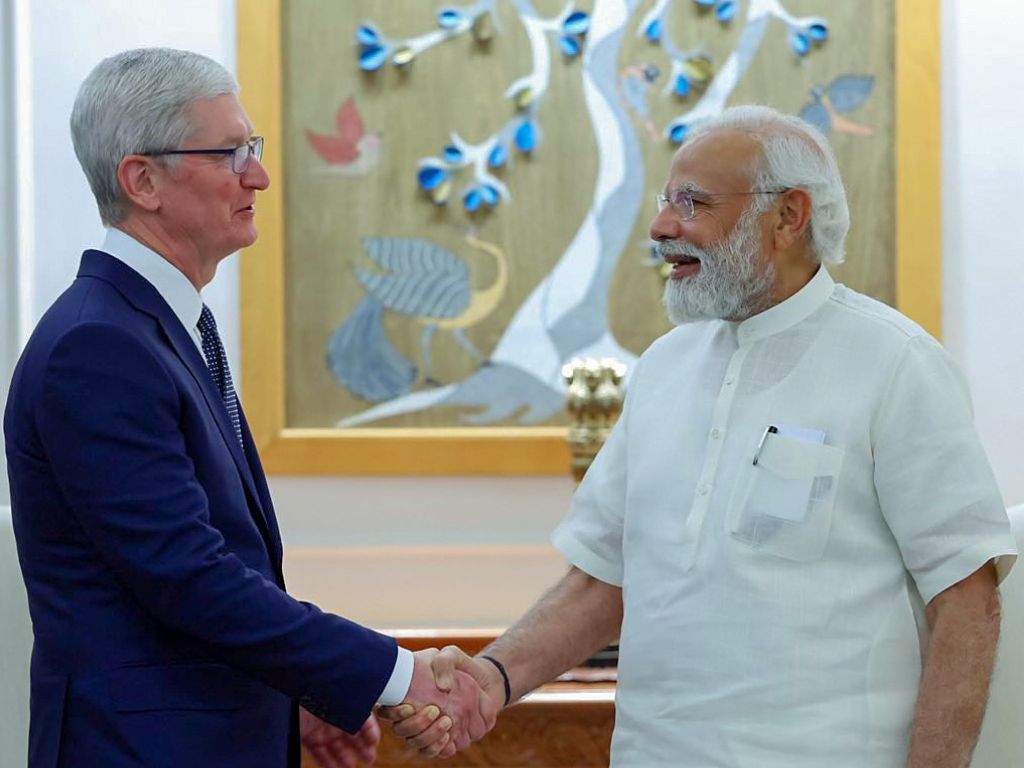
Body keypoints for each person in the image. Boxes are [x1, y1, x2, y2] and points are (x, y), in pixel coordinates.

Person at [381, 105, 1018, 767]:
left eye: (693, 203)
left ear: (789, 215)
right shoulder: (663, 367)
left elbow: (966, 599)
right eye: (665, 201)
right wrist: (494, 677)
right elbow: (604, 579)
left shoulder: (896, 364)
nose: (661, 227)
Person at [3, 47, 495, 768]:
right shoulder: (98, 348)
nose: (258, 175)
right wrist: (396, 675)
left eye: (253, 150)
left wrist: (290, 699)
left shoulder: (157, 328)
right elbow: (188, 576)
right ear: (142, 179)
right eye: (231, 153)